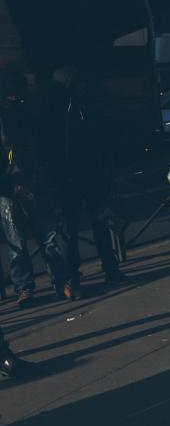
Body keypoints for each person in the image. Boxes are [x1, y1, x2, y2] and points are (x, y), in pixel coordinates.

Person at [45, 67, 126, 294]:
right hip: (76, 176)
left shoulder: (75, 108)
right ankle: (86, 275)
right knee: (77, 230)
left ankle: (94, 273)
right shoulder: (69, 109)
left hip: (82, 175)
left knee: (85, 227)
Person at [0, 70, 72, 306]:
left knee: (21, 242)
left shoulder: (24, 114)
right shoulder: (29, 112)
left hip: (15, 185)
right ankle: (57, 283)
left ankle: (28, 288)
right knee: (43, 238)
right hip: (23, 183)